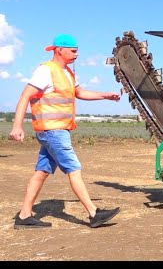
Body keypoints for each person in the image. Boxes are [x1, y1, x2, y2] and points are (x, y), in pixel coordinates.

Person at [9, 33, 121, 229]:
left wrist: (105, 96)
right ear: (59, 50)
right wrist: (17, 126)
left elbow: (80, 93)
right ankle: (94, 213)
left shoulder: (68, 73)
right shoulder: (46, 71)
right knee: (74, 169)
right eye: (73, 50)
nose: (77, 54)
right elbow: (25, 96)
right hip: (53, 132)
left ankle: (25, 215)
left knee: (41, 171)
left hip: (57, 131)